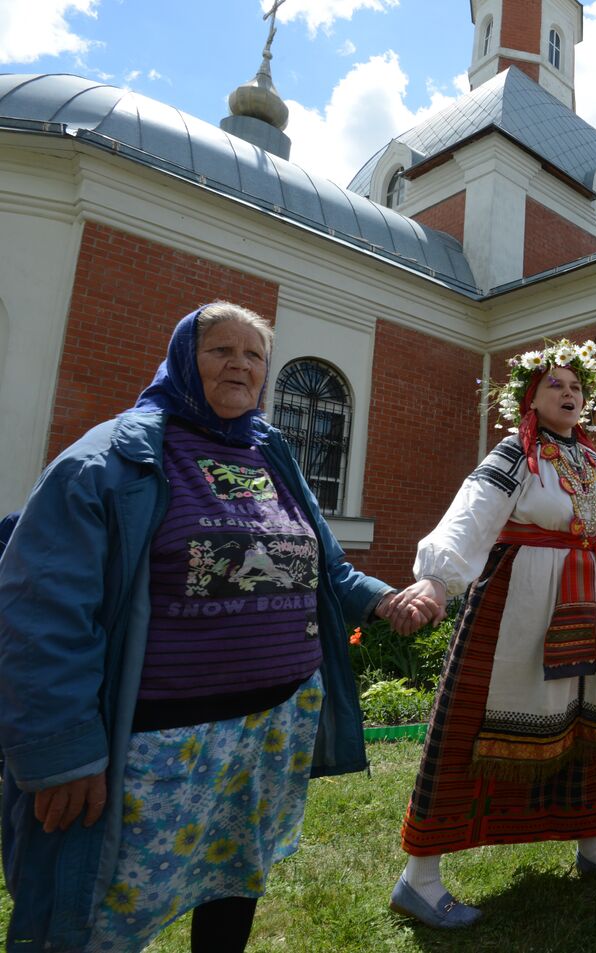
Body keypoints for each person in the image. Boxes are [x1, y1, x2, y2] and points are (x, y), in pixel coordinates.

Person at [0, 303, 420, 952]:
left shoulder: (270, 450)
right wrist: (62, 751)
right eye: (221, 349)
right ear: (179, 360)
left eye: (255, 355)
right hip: (157, 745)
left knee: (235, 875)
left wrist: (383, 600)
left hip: (268, 730)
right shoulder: (115, 456)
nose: (241, 365)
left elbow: (320, 560)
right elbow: (43, 607)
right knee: (99, 914)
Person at [384, 339, 596, 929]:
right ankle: (419, 879)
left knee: (594, 726)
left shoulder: (594, 465)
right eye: (555, 385)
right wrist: (436, 581)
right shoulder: (515, 455)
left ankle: (593, 847)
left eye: (577, 387)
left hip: (589, 608)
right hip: (518, 605)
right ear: (529, 400)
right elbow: (470, 516)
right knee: (470, 727)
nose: (569, 393)